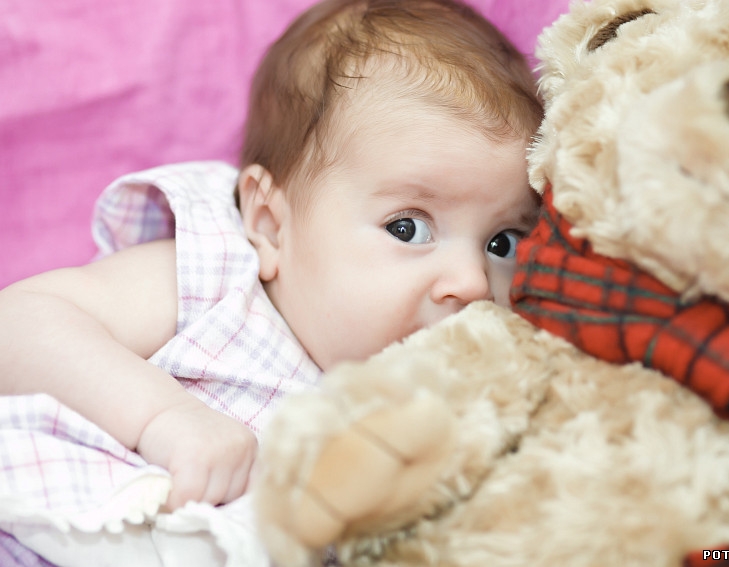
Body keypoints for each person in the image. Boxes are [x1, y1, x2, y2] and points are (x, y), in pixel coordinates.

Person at [0, 0, 542, 524]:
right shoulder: (216, 276)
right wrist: (162, 417)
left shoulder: (472, 398)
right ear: (269, 224)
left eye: (502, 243)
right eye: (408, 227)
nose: (473, 283)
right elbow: (21, 321)